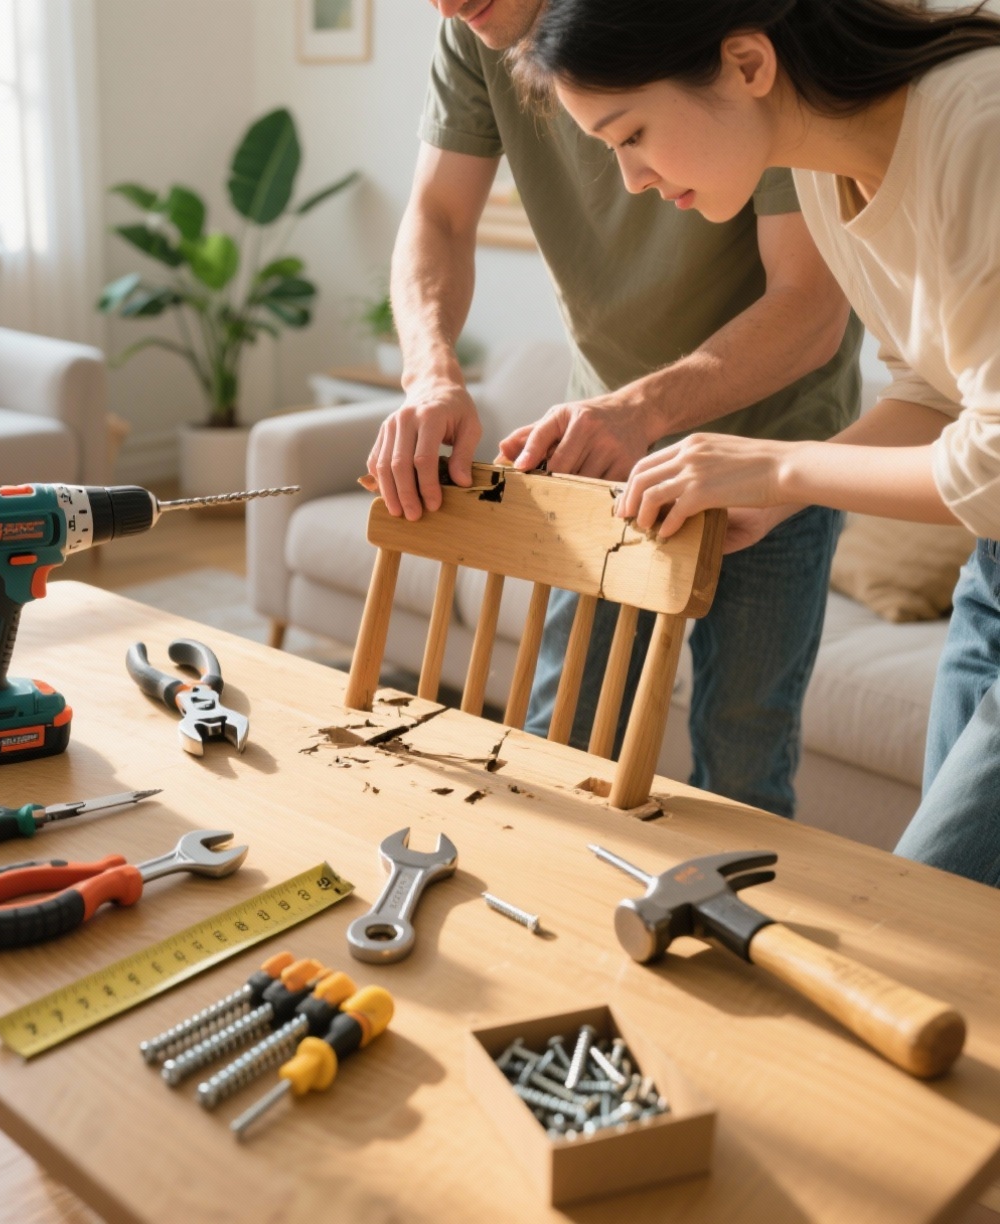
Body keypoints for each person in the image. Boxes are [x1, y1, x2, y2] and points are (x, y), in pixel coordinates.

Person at [518, 0, 1000, 886]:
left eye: (632, 135)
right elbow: (936, 394)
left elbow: (994, 464)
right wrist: (779, 496)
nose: (632, 178)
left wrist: (777, 465)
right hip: (992, 576)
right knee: (961, 918)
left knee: (928, 912)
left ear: (746, 65)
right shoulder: (823, 171)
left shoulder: (979, 123)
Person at [366, 0, 863, 819]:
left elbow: (809, 305)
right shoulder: (473, 25)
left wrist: (640, 412)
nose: (447, 5)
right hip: (602, 453)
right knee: (557, 744)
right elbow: (438, 215)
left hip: (772, 455)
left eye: (631, 137)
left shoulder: (726, 26)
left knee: (745, 763)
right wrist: (431, 377)